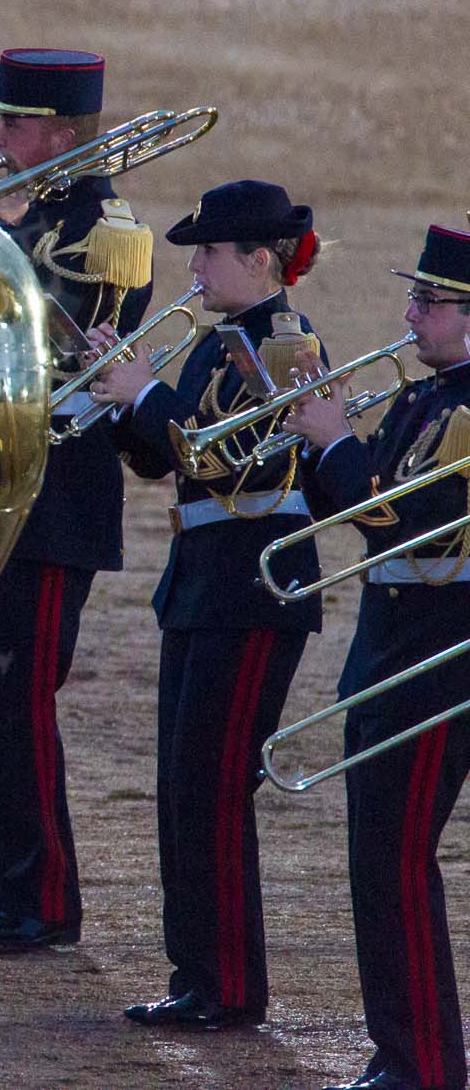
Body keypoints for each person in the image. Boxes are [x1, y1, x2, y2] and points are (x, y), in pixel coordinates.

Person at [88, 178, 326, 1029]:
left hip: (254, 587)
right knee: (183, 785)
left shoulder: (289, 345)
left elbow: (242, 460)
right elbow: (166, 460)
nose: (194, 265)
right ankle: (198, 971)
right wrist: (120, 397)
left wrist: (146, 394)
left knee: (216, 787)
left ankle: (228, 984)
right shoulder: (223, 338)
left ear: (257, 259)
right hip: (204, 579)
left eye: (210, 251)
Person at [0, 49, 153, 952]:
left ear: (62, 135)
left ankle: (44, 896)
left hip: (55, 492)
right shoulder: (20, 213)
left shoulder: (106, 229)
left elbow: (55, 338)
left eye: (15, 125)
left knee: (17, 698)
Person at [288, 224, 470, 1090]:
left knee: (397, 861)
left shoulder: (465, 410)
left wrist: (333, 441)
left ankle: (425, 1062)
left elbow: (403, 512)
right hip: (388, 656)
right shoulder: (425, 397)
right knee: (376, 862)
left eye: (430, 302)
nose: (409, 315)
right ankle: (400, 1050)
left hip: (433, 664)